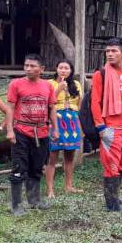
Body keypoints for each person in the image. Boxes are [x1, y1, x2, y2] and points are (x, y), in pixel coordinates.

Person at [91, 38, 122, 212]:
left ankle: (116, 200)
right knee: (111, 167)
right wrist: (101, 128)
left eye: (114, 51)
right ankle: (111, 205)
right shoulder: (101, 74)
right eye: (107, 51)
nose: (110, 54)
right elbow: (95, 103)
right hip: (111, 129)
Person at [7, 54, 58, 215]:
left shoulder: (48, 86)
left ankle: (34, 201)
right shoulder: (16, 84)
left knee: (36, 167)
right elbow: (10, 107)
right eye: (26, 65)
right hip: (21, 131)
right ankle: (16, 205)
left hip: (41, 132)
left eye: (32, 66)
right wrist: (9, 130)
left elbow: (52, 108)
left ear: (41, 69)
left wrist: (55, 128)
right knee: (18, 167)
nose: (28, 69)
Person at [45, 60, 83, 198]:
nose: (63, 70)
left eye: (66, 68)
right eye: (61, 67)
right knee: (52, 157)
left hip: (72, 120)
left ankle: (69, 186)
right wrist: (59, 88)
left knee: (69, 157)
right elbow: (48, 102)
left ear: (71, 71)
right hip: (56, 119)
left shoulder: (76, 84)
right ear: (56, 69)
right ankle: (50, 190)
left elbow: (79, 104)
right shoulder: (50, 83)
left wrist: (78, 124)